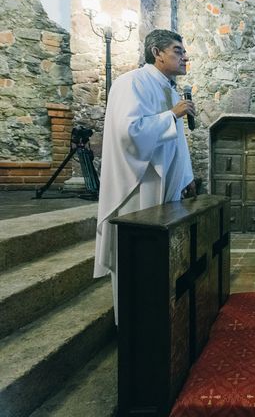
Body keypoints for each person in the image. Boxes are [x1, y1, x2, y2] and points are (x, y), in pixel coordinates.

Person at [94, 29, 196, 324]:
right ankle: (132, 327)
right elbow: (129, 133)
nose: (184, 56)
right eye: (178, 50)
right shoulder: (131, 83)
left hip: (167, 189)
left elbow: (178, 141)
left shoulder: (171, 90)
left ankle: (160, 321)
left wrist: (186, 176)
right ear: (157, 52)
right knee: (137, 264)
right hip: (139, 188)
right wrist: (171, 115)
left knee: (160, 264)